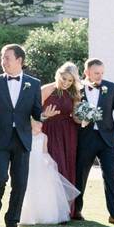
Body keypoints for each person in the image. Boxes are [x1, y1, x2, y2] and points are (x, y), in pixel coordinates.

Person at [0, 44, 55, 227]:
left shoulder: (34, 83)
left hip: (22, 139)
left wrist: (43, 115)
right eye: (2, 58)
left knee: (20, 182)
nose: (3, 62)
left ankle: (12, 223)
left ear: (19, 61)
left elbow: (36, 112)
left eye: (7, 58)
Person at [73, 59, 114, 227]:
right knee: (80, 175)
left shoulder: (112, 87)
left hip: (107, 139)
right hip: (85, 138)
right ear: (87, 72)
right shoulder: (76, 89)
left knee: (111, 175)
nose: (100, 76)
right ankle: (76, 211)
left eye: (102, 73)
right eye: (96, 73)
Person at [19, 121, 80, 225]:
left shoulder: (44, 137)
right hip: (30, 162)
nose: (40, 125)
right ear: (31, 123)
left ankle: (45, 214)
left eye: (41, 123)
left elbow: (45, 151)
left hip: (41, 163)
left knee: (44, 187)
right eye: (37, 123)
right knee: (30, 186)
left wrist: (49, 161)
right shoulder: (26, 135)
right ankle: (30, 214)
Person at [40, 62, 81, 215]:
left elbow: (76, 117)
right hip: (49, 131)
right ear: (58, 74)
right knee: (53, 165)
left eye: (70, 81)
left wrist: (85, 118)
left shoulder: (74, 93)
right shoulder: (45, 90)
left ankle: (65, 209)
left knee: (67, 165)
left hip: (68, 133)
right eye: (64, 78)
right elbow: (31, 114)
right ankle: (51, 207)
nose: (66, 83)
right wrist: (44, 115)